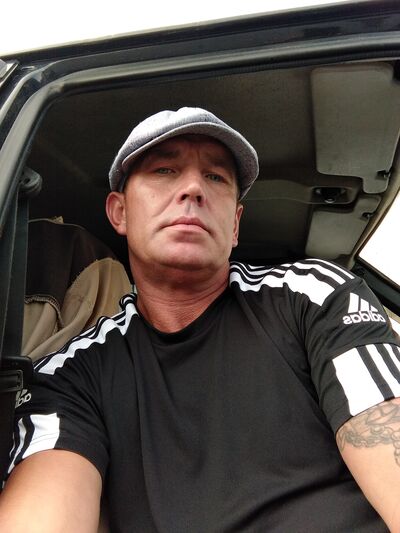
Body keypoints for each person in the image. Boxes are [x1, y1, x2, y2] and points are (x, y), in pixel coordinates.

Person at [0, 106, 399, 532]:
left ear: (235, 225)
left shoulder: (312, 294)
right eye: (164, 170)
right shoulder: (69, 376)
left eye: (216, 177)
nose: (193, 188)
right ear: (119, 212)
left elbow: (381, 431)